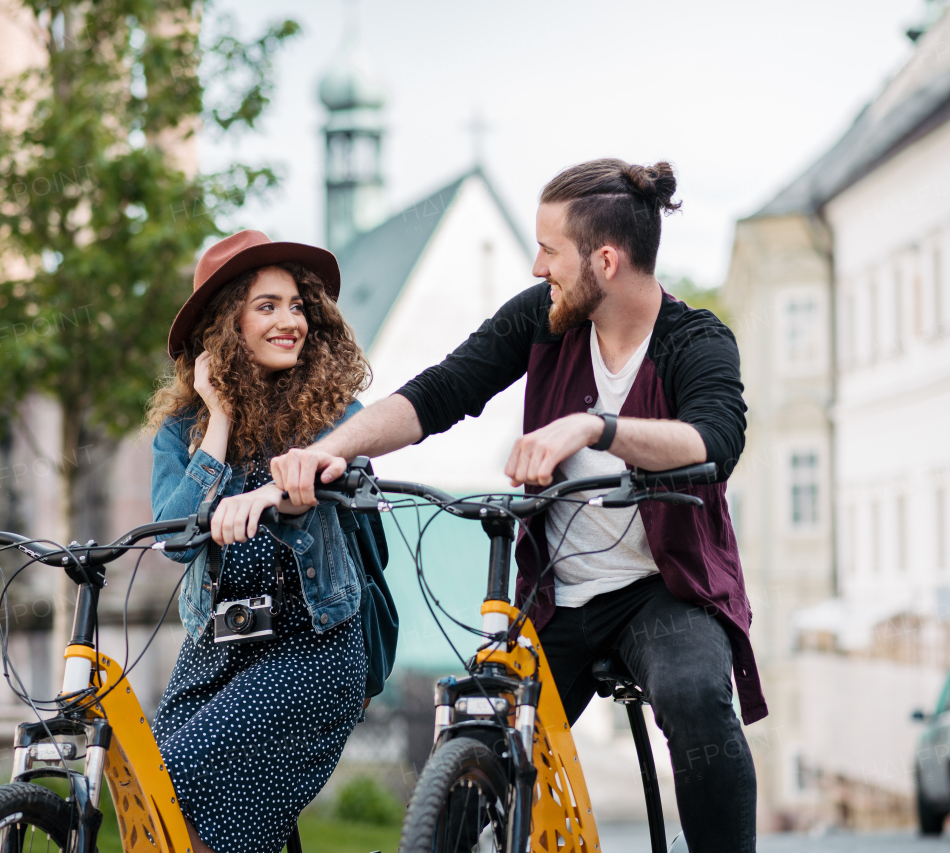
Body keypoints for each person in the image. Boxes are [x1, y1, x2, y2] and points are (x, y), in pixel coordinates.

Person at [271, 160, 761, 852]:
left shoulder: (694, 340)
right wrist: (335, 447)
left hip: (664, 590)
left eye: (550, 250)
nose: (537, 267)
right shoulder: (547, 319)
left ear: (607, 260)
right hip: (558, 595)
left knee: (694, 697)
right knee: (478, 725)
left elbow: (714, 439)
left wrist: (597, 426)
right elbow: (442, 390)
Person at [146, 230, 372, 853]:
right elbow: (175, 539)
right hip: (216, 650)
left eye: (297, 305)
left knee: (180, 780)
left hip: (312, 646)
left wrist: (301, 500)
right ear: (226, 327)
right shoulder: (182, 431)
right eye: (267, 306)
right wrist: (217, 422)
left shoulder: (333, 414)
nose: (290, 321)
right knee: (156, 805)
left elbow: (355, 472)